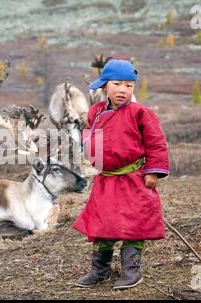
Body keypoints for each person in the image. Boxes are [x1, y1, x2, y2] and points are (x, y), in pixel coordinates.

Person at [73, 59, 169, 289]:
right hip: (106, 179)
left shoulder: (140, 113)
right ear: (105, 85)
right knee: (102, 223)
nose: (123, 90)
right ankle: (100, 270)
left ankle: (131, 272)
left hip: (133, 178)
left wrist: (153, 172)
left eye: (129, 85)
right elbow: (89, 137)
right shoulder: (96, 112)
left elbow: (156, 143)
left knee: (134, 224)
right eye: (117, 84)